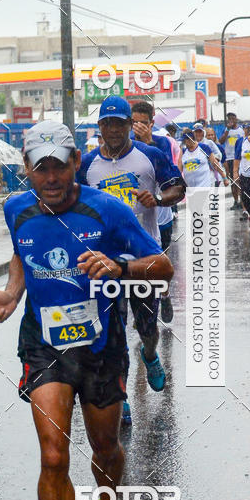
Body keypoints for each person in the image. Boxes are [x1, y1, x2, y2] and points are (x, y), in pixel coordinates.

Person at [0, 121, 173, 500]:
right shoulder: (16, 209)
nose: (52, 177)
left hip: (102, 345)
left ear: (76, 163)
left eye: (60, 165)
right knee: (54, 455)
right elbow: (22, 255)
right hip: (44, 346)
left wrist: (119, 268)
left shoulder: (108, 209)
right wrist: (13, 296)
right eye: (42, 168)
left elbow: (162, 266)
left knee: (105, 445)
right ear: (28, 172)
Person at [77, 96, 184, 396]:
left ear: (129, 125)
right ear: (99, 127)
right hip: (103, 262)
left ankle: (149, 355)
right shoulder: (86, 165)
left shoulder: (150, 155)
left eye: (119, 123)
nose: (113, 130)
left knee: (148, 330)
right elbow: (71, 202)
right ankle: (119, 396)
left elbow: (178, 186)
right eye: (106, 123)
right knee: (113, 333)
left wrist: (159, 199)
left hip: (143, 260)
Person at [129, 103, 177, 324]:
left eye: (142, 122)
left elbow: (168, 174)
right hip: (133, 222)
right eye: (133, 122)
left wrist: (147, 143)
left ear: (151, 122)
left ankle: (165, 295)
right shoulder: (123, 147)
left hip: (161, 217)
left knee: (160, 268)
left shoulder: (162, 143)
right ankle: (144, 320)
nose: (137, 127)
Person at [220, 112, 245, 209]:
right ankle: (236, 201)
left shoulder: (241, 130)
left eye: (232, 118)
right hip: (229, 158)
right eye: (229, 118)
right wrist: (227, 130)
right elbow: (221, 141)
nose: (230, 120)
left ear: (236, 119)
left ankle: (243, 200)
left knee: (241, 180)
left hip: (240, 158)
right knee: (233, 181)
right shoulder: (226, 130)